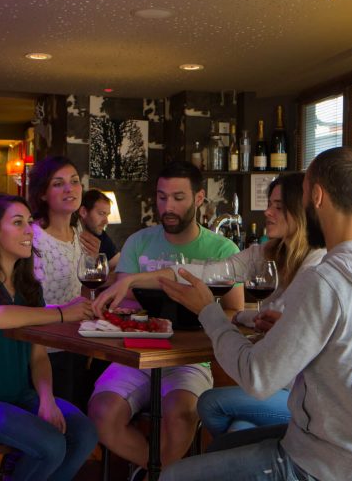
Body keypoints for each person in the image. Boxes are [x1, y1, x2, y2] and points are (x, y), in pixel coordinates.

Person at [157, 147, 352, 481]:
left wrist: (208, 311)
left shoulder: (325, 279)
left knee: (172, 477)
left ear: (317, 195)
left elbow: (257, 379)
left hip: (321, 465)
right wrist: (287, 328)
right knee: (219, 448)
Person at [94, 172, 326, 440]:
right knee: (233, 438)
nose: (267, 212)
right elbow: (201, 272)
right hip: (267, 384)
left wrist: (242, 315)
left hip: (294, 390)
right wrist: (133, 279)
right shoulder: (265, 254)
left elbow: (289, 323)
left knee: (211, 405)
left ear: (301, 213)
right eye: (269, 204)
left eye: (278, 207)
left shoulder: (318, 268)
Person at [87, 161, 243, 478]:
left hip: (189, 360)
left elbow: (233, 310)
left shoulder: (222, 248)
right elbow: (124, 299)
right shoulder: (139, 242)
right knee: (101, 412)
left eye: (178, 197)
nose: (167, 207)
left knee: (181, 414)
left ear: (199, 198)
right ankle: (156, 471)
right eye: (161, 197)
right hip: (136, 355)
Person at [0, 192, 97, 481]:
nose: (29, 230)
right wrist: (62, 312)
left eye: (29, 222)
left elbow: (38, 356)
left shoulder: (29, 288)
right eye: (18, 222)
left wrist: (47, 398)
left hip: (18, 397)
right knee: (51, 445)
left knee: (85, 433)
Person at [28, 156, 102, 410]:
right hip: (42, 351)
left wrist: (93, 263)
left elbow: (83, 292)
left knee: (80, 416)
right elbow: (26, 302)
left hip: (75, 344)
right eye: (58, 183)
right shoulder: (33, 238)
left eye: (74, 182)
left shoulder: (81, 234)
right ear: (43, 194)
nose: (69, 189)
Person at [79, 189, 121, 270]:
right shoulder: (70, 234)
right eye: (101, 213)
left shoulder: (101, 236)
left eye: (107, 215)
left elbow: (120, 267)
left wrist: (95, 260)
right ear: (83, 212)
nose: (106, 221)